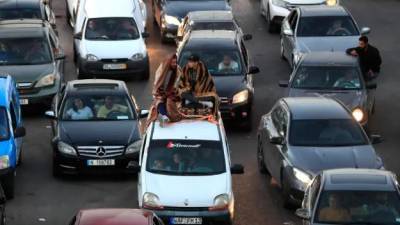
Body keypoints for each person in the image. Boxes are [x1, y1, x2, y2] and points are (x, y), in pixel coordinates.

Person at [147, 55, 182, 126]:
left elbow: (178, 84)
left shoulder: (178, 70)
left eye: (175, 62)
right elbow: (157, 85)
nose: (174, 64)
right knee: (159, 103)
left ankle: (173, 116)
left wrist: (173, 92)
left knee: (170, 102)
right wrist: (162, 94)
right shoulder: (162, 69)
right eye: (172, 62)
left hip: (173, 94)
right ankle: (164, 115)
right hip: (161, 93)